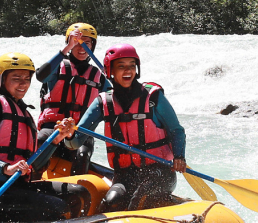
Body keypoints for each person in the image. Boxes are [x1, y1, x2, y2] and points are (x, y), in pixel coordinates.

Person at [0, 52, 92, 222]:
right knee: (57, 207)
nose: (23, 83)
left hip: (18, 186)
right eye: (16, 78)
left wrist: (56, 140)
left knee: (79, 194)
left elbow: (34, 164)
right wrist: (5, 167)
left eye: (27, 78)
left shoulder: (24, 113)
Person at [66, 44, 188, 213]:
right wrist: (68, 134)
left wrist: (179, 156)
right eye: (121, 66)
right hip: (125, 174)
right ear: (110, 71)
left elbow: (176, 130)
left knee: (141, 198)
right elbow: (75, 142)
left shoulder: (153, 97)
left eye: (132, 65)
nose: (128, 71)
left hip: (160, 172)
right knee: (111, 203)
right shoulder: (103, 103)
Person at [35, 23, 110, 177]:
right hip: (54, 126)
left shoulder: (98, 76)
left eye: (87, 43)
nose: (82, 47)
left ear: (92, 46)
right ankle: (31, 181)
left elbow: (115, 100)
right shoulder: (58, 66)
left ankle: (75, 193)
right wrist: (67, 48)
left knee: (82, 155)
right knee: (41, 141)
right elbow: (40, 76)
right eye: (77, 42)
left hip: (80, 131)